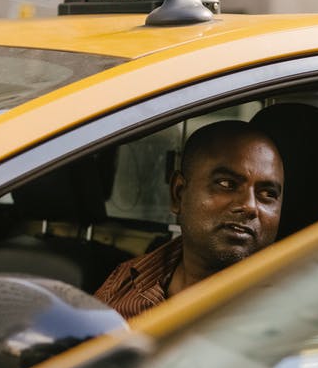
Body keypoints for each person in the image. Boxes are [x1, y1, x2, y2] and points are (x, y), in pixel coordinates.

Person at [95, 120, 284, 319]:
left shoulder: (289, 316)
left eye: (268, 194)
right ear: (178, 193)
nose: (250, 206)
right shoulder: (130, 279)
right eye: (227, 184)